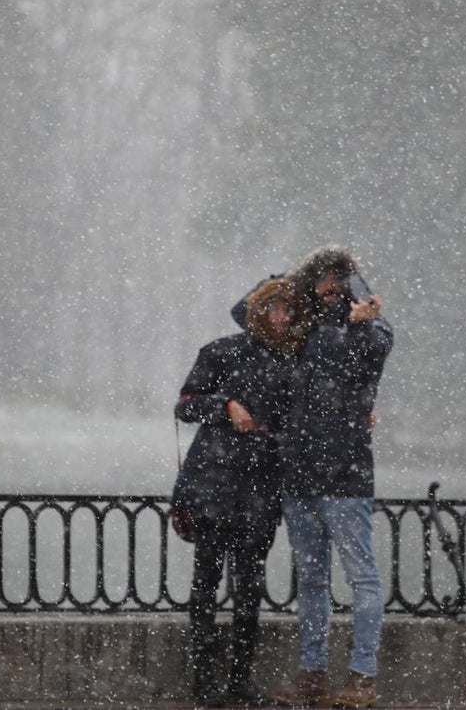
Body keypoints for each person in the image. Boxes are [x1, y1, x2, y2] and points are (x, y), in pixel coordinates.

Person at [264, 245, 393, 710]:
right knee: (313, 580)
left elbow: (377, 343)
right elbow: (249, 309)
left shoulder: (373, 330)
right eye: (323, 278)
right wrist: (302, 274)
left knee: (362, 577)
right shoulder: (301, 331)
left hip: (345, 478)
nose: (331, 285)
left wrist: (361, 300)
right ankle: (313, 675)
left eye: (340, 277)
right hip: (300, 477)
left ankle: (362, 680)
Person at [172, 278, 309, 707]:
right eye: (276, 309)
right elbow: (185, 405)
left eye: (290, 311)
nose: (283, 317)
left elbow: (305, 422)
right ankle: (205, 680)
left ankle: (240, 679)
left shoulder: (297, 362)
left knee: (250, 587)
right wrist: (225, 405)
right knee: (205, 584)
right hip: (213, 486)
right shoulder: (220, 351)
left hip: (262, 490)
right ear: (258, 310)